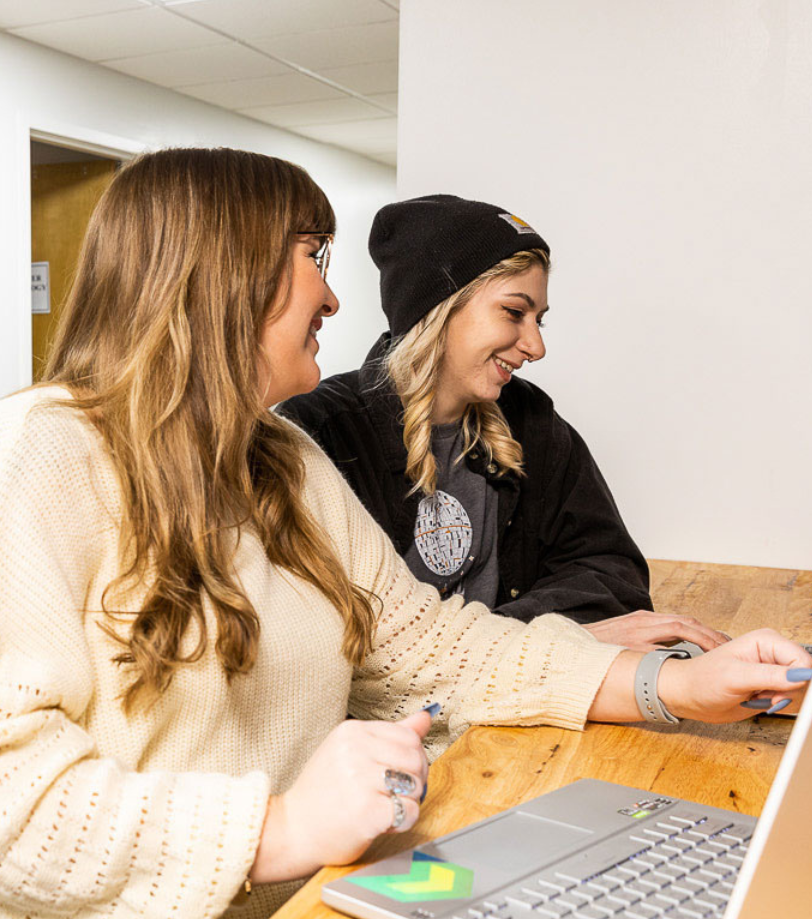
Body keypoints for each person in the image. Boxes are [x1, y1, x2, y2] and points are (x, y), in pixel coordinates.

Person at [0, 151, 811, 919]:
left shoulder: (281, 459)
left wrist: (666, 687)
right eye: (311, 255)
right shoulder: (28, 461)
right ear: (219, 274)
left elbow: (425, 644)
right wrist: (277, 827)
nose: (331, 289)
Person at [281, 195, 728, 652]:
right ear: (436, 309)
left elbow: (611, 573)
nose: (535, 346)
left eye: (540, 321)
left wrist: (522, 644)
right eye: (514, 313)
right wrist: (548, 638)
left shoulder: (530, 419)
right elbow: (338, 643)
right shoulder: (320, 431)